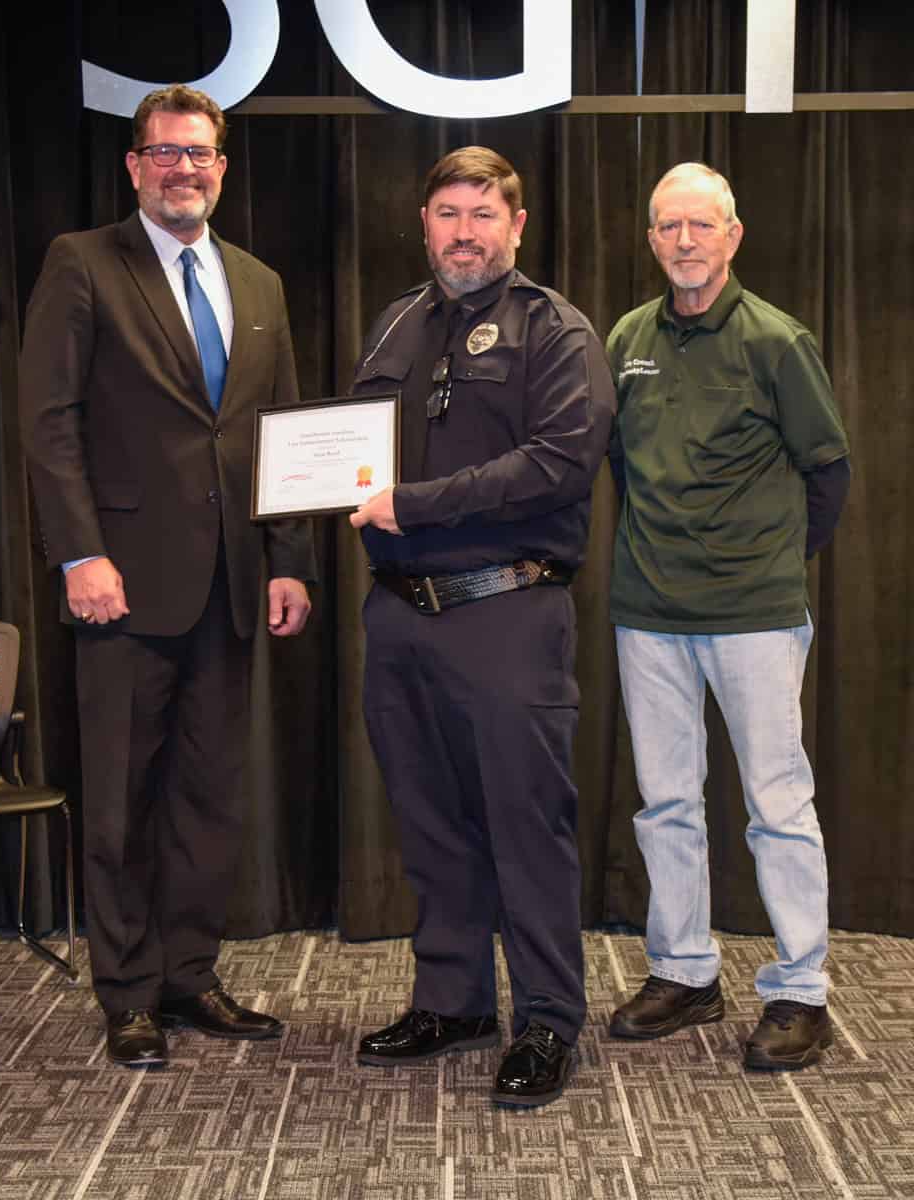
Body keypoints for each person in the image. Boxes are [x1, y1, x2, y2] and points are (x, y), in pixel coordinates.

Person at [19, 84, 315, 1067]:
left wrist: (288, 562)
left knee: (209, 798)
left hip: (232, 585)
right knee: (119, 801)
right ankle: (128, 993)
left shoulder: (259, 284)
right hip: (122, 584)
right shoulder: (83, 263)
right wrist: (79, 553)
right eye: (165, 153)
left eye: (199, 154)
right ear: (136, 165)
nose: (183, 170)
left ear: (221, 168)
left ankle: (190, 976)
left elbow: (278, 434)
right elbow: (49, 422)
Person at [347, 146, 615, 1107]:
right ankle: (453, 1001)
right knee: (431, 822)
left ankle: (547, 1019)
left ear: (516, 225)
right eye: (448, 214)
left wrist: (416, 504)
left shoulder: (557, 330)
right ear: (424, 222)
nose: (464, 233)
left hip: (508, 610)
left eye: (483, 215)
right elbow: (350, 451)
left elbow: (560, 462)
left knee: (525, 826)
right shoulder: (396, 323)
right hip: (401, 615)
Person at [606, 162, 850, 1070]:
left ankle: (800, 990)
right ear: (651, 240)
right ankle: (684, 971)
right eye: (669, 226)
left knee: (777, 804)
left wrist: (768, 562)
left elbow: (827, 474)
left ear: (733, 236)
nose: (684, 241)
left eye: (701, 225)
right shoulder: (628, 338)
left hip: (753, 614)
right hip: (648, 611)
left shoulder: (778, 341)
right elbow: (620, 466)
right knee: (666, 803)